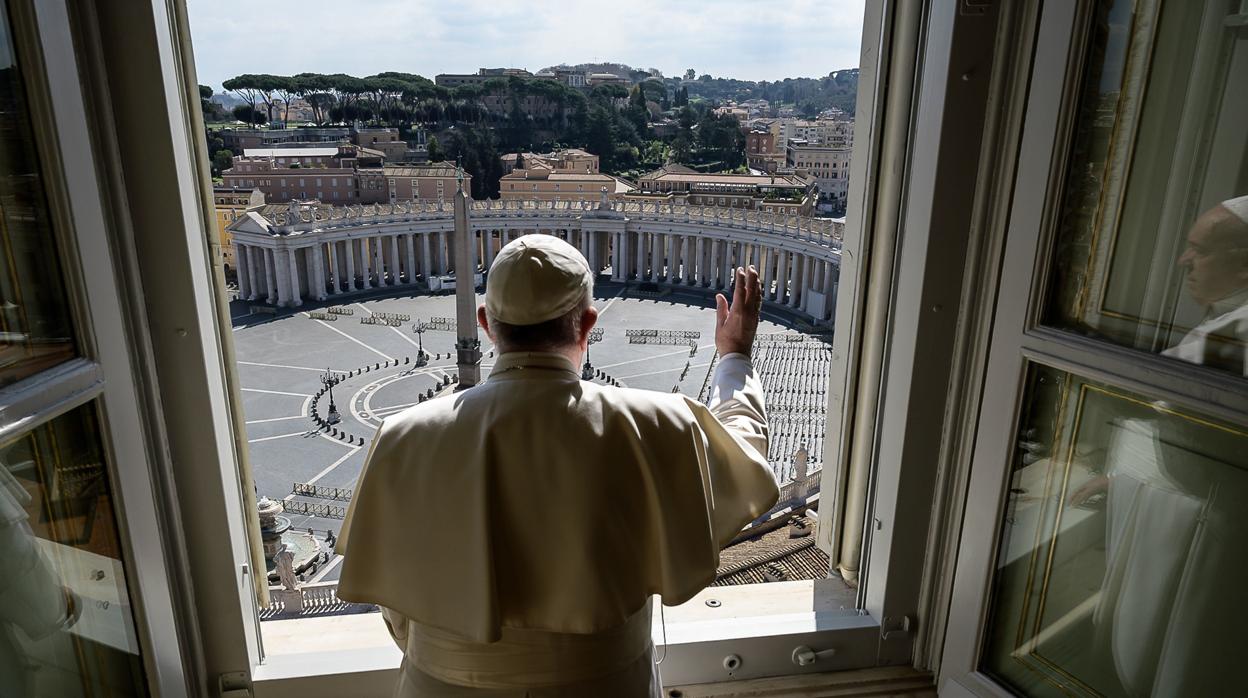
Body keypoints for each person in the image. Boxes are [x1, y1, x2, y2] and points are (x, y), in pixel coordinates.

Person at [336, 235, 779, 697]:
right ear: (588, 324)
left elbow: (395, 607)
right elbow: (743, 452)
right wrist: (734, 358)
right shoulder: (658, 423)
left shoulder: (401, 437)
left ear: (486, 324)